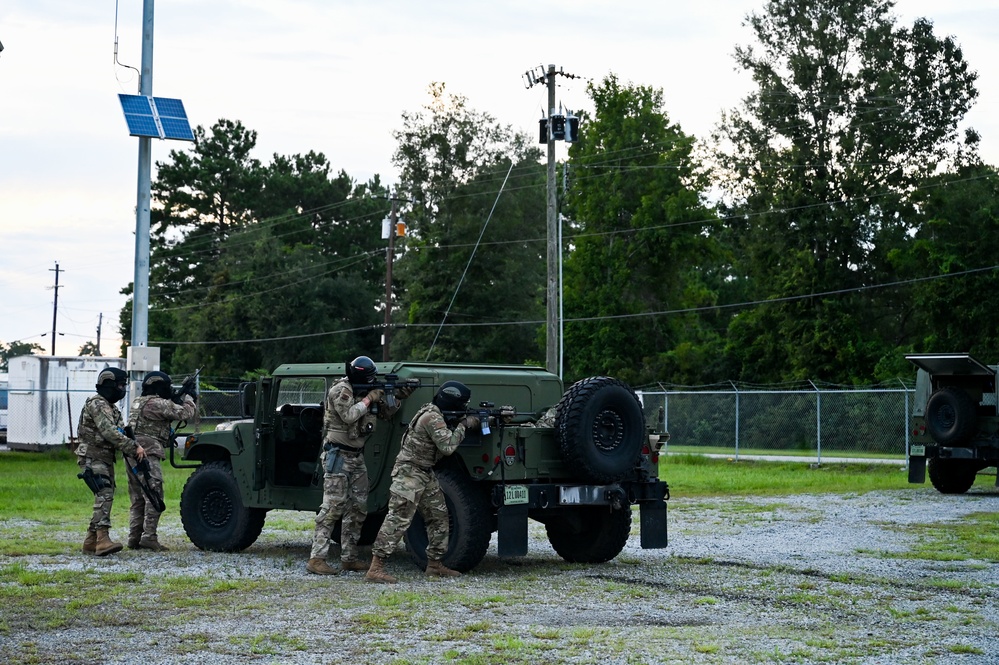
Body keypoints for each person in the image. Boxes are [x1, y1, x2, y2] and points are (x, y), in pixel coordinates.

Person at [307, 356, 414, 575]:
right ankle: (316, 558)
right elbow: (348, 416)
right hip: (337, 455)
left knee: (357, 508)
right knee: (332, 507)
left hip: (356, 456)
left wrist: (396, 395)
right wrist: (369, 398)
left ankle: (349, 558)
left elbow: (386, 414)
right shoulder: (341, 390)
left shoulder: (363, 391)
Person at [365, 380, 480, 584]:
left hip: (425, 472)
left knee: (439, 516)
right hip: (410, 472)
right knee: (398, 518)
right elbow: (447, 447)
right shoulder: (431, 417)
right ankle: (376, 567)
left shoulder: (436, 413)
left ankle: (435, 564)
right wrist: (463, 425)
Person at [75, 367, 145, 556]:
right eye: (120, 385)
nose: (122, 389)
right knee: (104, 493)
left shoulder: (112, 408)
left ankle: (91, 541)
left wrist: (135, 445)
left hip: (104, 457)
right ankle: (103, 539)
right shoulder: (97, 404)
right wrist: (133, 447)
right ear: (109, 385)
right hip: (92, 456)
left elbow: (121, 430)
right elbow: (109, 432)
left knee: (105, 493)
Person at [126, 370, 197, 551]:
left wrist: (177, 396)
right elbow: (185, 413)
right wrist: (189, 396)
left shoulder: (138, 402)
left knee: (138, 498)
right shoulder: (158, 403)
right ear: (158, 387)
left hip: (132, 452)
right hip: (147, 453)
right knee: (154, 494)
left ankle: (134, 538)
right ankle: (149, 537)